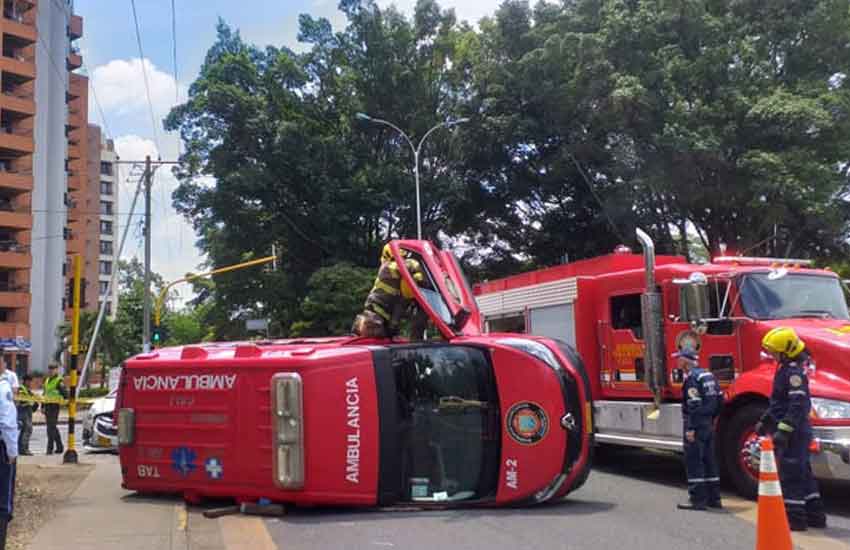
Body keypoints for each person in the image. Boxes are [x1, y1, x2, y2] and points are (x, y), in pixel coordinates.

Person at [756, 327, 826, 531]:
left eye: (774, 352)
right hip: (795, 430)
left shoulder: (794, 372)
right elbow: (779, 401)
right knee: (803, 473)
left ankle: (795, 519)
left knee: (792, 474)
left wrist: (784, 431)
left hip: (795, 432)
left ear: (786, 351)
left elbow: (797, 405)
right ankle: (815, 515)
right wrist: (766, 419)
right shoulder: (786, 368)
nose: (772, 355)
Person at [676, 346, 723, 511]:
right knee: (710, 461)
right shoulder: (708, 375)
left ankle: (697, 500)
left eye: (679, 358)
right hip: (708, 423)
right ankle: (714, 499)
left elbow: (693, 405)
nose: (677, 361)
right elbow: (719, 399)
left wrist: (691, 428)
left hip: (697, 424)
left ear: (685, 361)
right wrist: (711, 419)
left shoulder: (692, 379)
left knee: (694, 461)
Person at [352, 244, 427, 339]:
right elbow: (404, 266)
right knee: (372, 338)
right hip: (373, 316)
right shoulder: (387, 268)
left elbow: (400, 305)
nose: (404, 259)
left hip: (384, 317)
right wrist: (415, 265)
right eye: (402, 258)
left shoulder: (402, 281)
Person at [0, 367, 18, 549]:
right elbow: (7, 423)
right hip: (2, 449)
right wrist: (12, 452)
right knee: (2, 502)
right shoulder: (2, 388)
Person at [42, 363, 67, 455]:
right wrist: (43, 406)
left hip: (54, 406)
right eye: (50, 369)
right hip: (48, 406)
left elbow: (65, 394)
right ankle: (60, 447)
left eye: (53, 369)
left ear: (57, 370)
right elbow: (45, 394)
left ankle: (49, 449)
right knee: (52, 427)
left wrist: (67, 404)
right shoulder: (47, 380)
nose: (51, 371)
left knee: (50, 428)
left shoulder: (59, 381)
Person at [16, 375, 36, 456]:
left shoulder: (27, 390)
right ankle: (24, 449)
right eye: (30, 381)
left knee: (24, 430)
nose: (31, 383)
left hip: (27, 411)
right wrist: (32, 401)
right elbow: (23, 400)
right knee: (27, 430)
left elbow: (33, 399)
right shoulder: (21, 389)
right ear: (26, 381)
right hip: (23, 411)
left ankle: (21, 449)